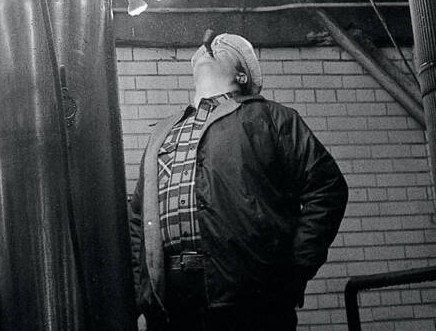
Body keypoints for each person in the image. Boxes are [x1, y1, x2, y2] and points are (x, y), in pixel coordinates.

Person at [129, 32, 348, 331]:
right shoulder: (163, 132)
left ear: (242, 76)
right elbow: (138, 219)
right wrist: (143, 294)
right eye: (210, 46)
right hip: (171, 304)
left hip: (251, 301)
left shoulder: (272, 118)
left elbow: (327, 188)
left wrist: (293, 269)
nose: (211, 45)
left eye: (224, 47)